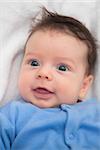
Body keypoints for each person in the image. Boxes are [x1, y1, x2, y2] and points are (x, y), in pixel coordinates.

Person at [0, 7, 100, 150]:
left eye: (62, 68)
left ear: (83, 86)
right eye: (34, 63)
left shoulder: (95, 112)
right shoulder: (12, 116)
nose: (43, 73)